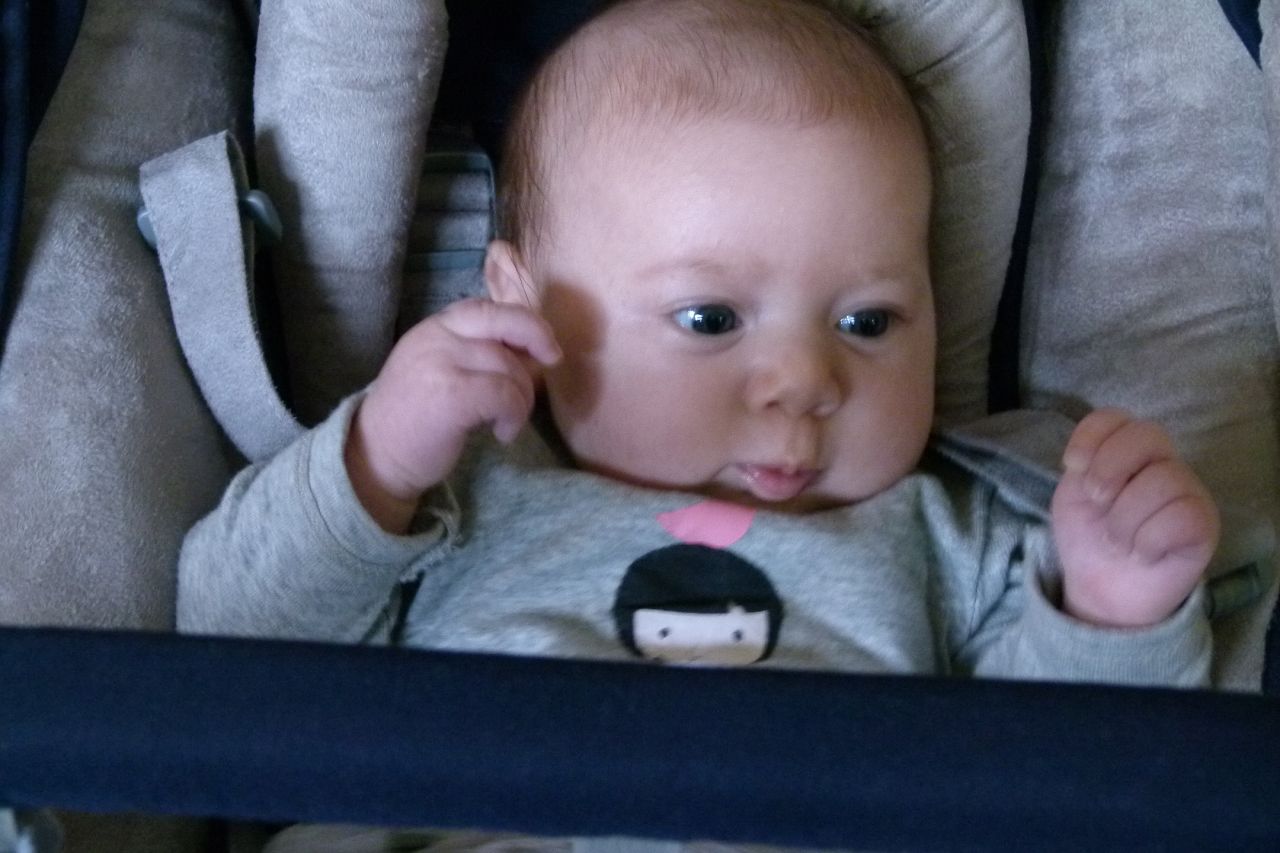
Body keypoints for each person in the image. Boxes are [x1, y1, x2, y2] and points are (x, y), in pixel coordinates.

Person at [180, 0, 1218, 758]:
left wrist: (1110, 612)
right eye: (708, 319)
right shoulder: (451, 493)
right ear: (521, 307)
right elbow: (227, 652)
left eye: (866, 321)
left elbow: (1056, 782)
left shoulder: (958, 537)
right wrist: (373, 463)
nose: (803, 381)